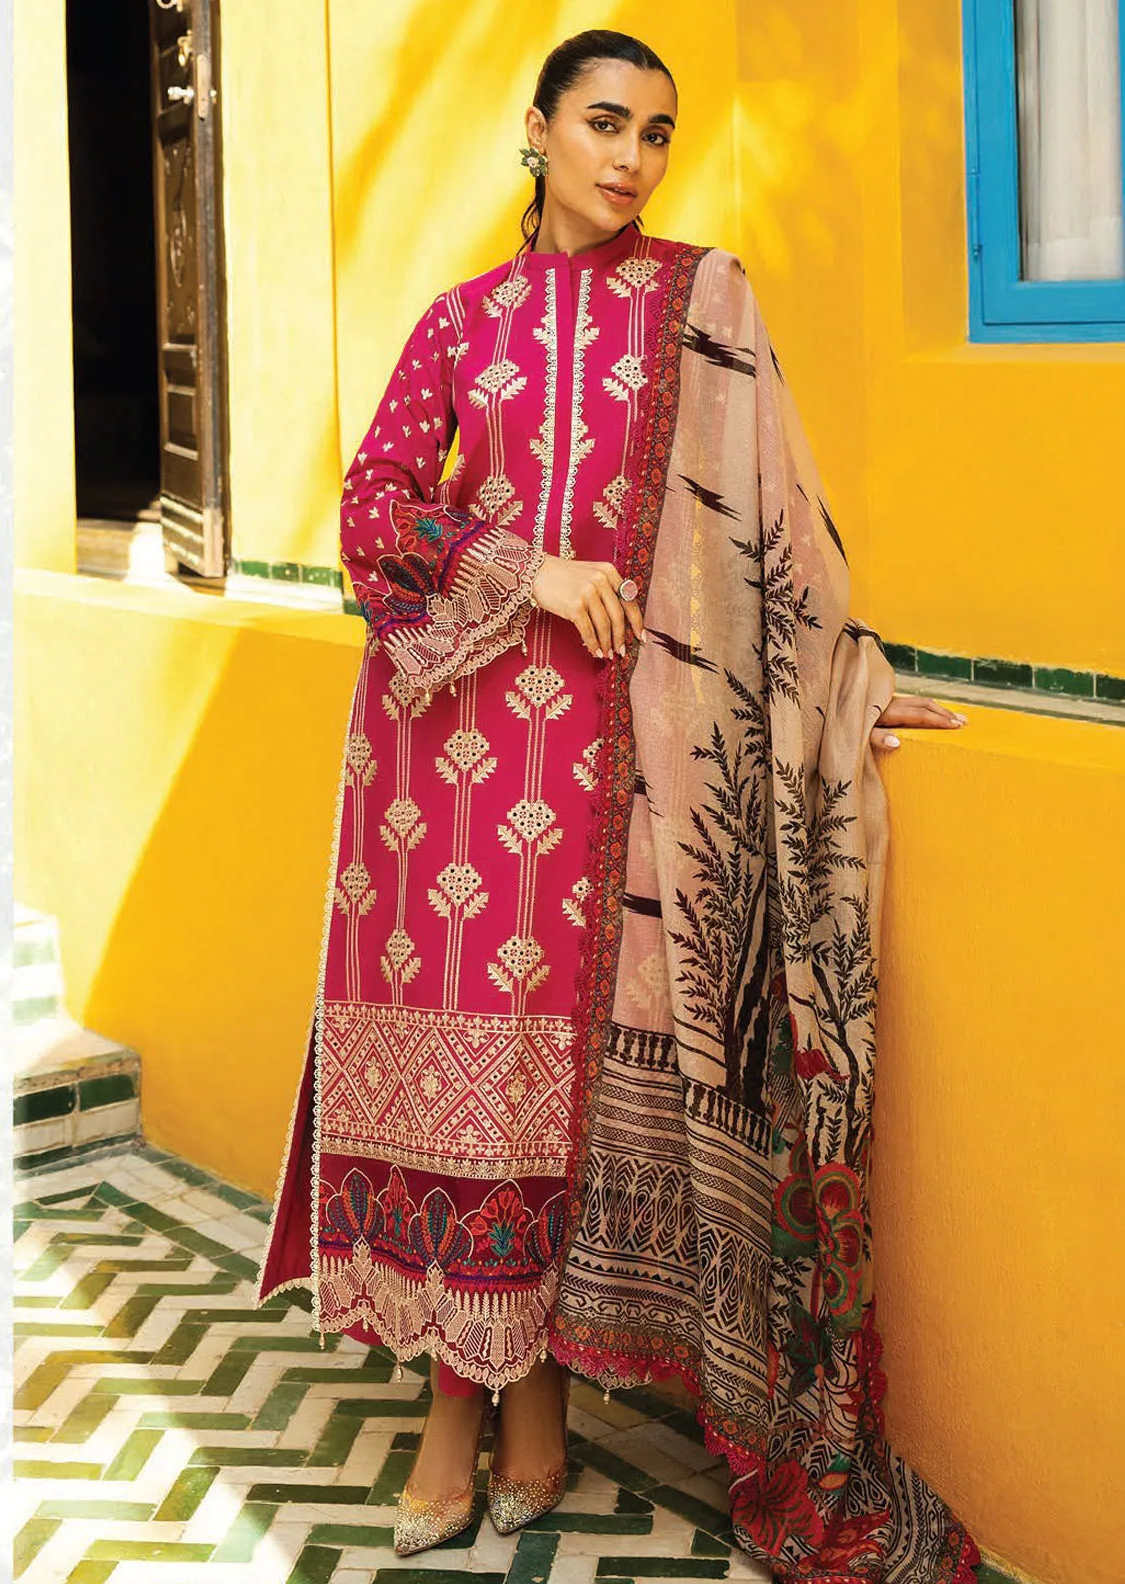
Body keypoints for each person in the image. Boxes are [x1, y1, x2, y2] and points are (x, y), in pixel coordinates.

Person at [256, 28, 981, 1583]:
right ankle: (469, 1410)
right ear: (534, 129)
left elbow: (772, 526)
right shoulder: (464, 322)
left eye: (655, 132)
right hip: (449, 772)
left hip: (621, 763)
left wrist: (839, 685)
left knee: (552, 1099)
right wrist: (527, 570)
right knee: (468, 1089)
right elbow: (373, 513)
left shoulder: (702, 302)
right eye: (601, 123)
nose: (630, 158)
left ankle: (524, 1410)